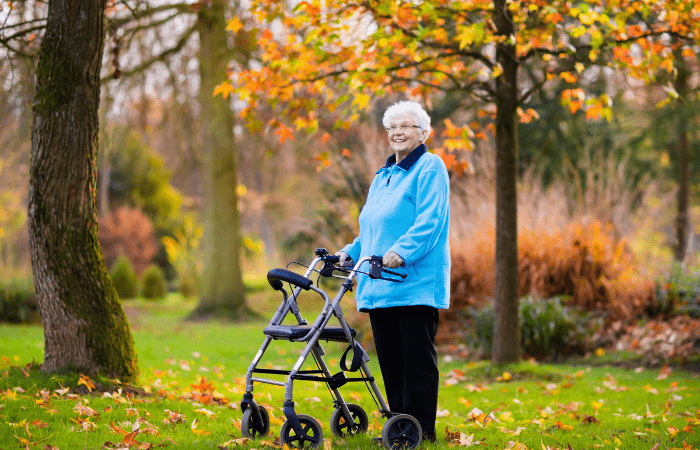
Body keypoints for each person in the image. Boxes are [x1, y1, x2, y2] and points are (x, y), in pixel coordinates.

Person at [335, 100, 450, 442]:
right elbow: (371, 233)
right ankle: (400, 431)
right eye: (392, 127)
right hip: (379, 284)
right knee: (392, 366)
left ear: (423, 133)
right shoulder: (383, 177)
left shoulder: (430, 168)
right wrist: (348, 253)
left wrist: (400, 252)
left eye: (406, 126)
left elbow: (430, 222)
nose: (398, 132)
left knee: (416, 366)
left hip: (413, 284)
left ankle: (421, 433)